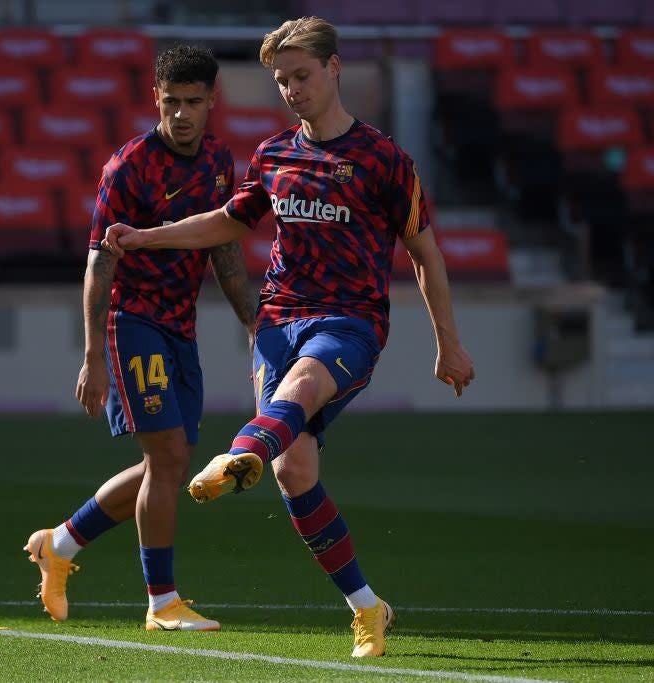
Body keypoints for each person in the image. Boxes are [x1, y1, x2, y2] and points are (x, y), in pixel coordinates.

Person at [103, 17, 475, 656]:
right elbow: (226, 222)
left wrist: (449, 341)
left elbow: (425, 254)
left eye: (302, 75)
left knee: (301, 389)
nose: (292, 89)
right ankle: (368, 607)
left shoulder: (385, 161)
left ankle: (234, 453)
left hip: (349, 322)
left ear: (334, 69)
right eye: (281, 81)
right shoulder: (273, 154)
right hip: (278, 321)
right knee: (295, 469)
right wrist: (146, 235)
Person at [24, 45, 257, 632]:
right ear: (156, 97)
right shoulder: (128, 167)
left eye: (194, 102)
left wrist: (256, 322)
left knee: (168, 468)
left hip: (182, 330)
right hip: (133, 324)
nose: (181, 114)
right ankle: (162, 603)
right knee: (170, 457)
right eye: (171, 102)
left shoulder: (219, 164)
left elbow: (226, 250)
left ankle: (61, 545)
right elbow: (99, 263)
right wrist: (92, 357)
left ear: (211, 102)